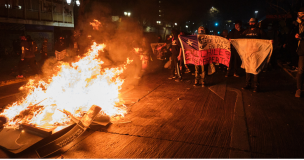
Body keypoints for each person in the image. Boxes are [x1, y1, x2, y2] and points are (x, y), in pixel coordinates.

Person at [241, 18, 268, 92]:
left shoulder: (260, 31)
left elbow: (265, 40)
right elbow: (240, 39)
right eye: (250, 22)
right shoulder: (246, 31)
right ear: (249, 23)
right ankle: (248, 84)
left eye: (253, 22)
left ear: (256, 23)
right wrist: (233, 40)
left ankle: (256, 86)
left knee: (256, 69)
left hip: (256, 53)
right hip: (248, 53)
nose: (252, 23)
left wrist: (270, 42)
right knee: (248, 69)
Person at [295, 7, 304, 97]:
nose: (298, 16)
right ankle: (299, 89)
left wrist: (300, 37)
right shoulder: (300, 25)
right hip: (302, 50)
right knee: (301, 70)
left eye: (300, 14)